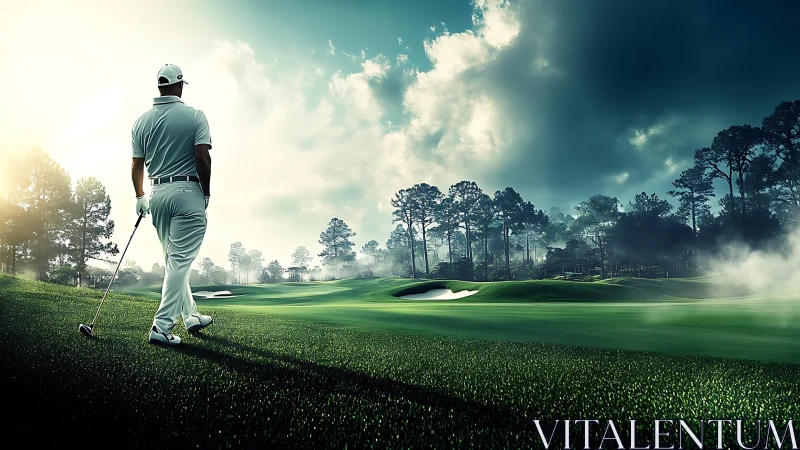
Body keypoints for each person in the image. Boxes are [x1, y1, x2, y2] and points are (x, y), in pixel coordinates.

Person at [131, 63, 214, 345]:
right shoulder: (195, 115)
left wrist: (140, 196)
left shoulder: (141, 122)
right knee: (179, 261)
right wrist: (206, 193)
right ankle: (161, 326)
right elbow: (202, 157)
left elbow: (136, 165)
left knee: (174, 260)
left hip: (156, 195)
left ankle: (191, 316)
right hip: (188, 191)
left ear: (160, 87)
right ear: (179, 85)